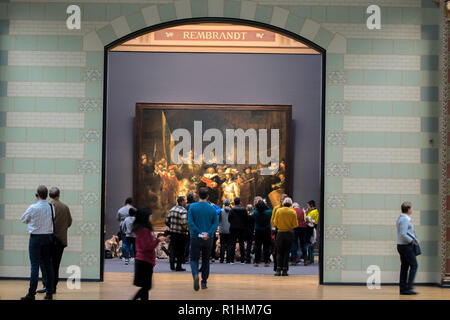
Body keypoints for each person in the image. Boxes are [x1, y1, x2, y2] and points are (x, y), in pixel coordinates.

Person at [20, 185, 55, 300]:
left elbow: (23, 219)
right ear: (46, 195)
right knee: (48, 265)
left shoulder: (32, 207)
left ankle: (31, 294)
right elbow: (53, 218)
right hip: (48, 238)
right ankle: (49, 293)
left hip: (35, 238)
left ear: (37, 195)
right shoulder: (51, 207)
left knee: (34, 266)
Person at [36, 187, 72, 294]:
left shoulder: (47, 206)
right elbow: (69, 222)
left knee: (45, 264)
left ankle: (47, 286)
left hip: (49, 240)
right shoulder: (65, 207)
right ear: (59, 195)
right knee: (56, 265)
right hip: (61, 241)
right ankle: (53, 287)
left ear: (49, 195)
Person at [187, 187, 219, 291]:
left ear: (198, 195)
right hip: (208, 238)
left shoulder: (192, 207)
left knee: (194, 259)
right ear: (208, 196)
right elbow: (215, 224)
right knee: (206, 260)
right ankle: (204, 282)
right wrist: (208, 233)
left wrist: (199, 232)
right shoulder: (212, 208)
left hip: (195, 237)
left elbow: (191, 222)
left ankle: (195, 274)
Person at [132, 207, 166, 300]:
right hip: (144, 261)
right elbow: (147, 246)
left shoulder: (140, 229)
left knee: (145, 286)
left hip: (142, 260)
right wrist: (158, 240)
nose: (151, 216)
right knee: (146, 286)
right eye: (150, 215)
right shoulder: (145, 231)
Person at [396, 202, 419, 295]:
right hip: (406, 246)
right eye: (411, 208)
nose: (412, 210)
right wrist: (412, 241)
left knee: (404, 267)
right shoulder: (404, 220)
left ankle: (403, 289)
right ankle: (409, 288)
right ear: (408, 209)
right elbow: (403, 234)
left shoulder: (401, 218)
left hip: (402, 246)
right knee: (414, 265)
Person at [272, 197, 298, 276]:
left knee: (279, 252)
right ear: (291, 203)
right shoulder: (293, 212)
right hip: (289, 233)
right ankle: (285, 270)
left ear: (283, 203)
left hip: (280, 233)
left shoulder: (279, 211)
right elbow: (295, 225)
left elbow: (275, 223)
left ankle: (278, 270)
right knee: (286, 252)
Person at [166, 196, 189, 271]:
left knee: (173, 247)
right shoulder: (183, 210)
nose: (185, 202)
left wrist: (171, 227)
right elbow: (184, 222)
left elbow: (167, 220)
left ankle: (172, 262)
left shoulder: (172, 209)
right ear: (182, 202)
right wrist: (186, 229)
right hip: (181, 233)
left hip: (173, 233)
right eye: (184, 201)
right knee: (181, 250)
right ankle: (178, 266)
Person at [228, 197, 248, 264]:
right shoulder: (244, 210)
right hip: (242, 228)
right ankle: (242, 260)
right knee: (241, 243)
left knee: (232, 244)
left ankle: (231, 260)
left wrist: (233, 223)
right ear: (240, 202)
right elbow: (246, 219)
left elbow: (229, 219)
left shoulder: (232, 210)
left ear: (234, 202)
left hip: (233, 228)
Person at [270, 193, 287, 271]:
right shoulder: (276, 208)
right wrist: (274, 227)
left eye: (285, 198)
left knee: (285, 250)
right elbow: (273, 219)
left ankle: (284, 268)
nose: (284, 200)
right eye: (283, 198)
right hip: (278, 230)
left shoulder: (289, 209)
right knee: (277, 249)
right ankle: (277, 267)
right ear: (280, 199)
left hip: (286, 230)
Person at [253, 199, 272, 267]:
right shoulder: (269, 212)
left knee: (257, 246)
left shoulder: (255, 212)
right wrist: (266, 205)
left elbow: (255, 209)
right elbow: (270, 209)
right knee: (266, 246)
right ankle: (266, 261)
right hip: (266, 230)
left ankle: (256, 261)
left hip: (258, 230)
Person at [305, 200, 319, 264]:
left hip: (310, 229)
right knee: (311, 244)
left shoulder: (312, 212)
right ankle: (311, 259)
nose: (307, 207)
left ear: (311, 206)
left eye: (308, 206)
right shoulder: (316, 211)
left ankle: (310, 259)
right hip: (314, 228)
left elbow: (306, 219)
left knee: (309, 244)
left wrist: (305, 212)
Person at [219, 198, 232, 263]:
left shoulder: (221, 211)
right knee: (229, 245)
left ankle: (221, 259)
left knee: (222, 245)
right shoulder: (232, 211)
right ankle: (228, 259)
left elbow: (219, 220)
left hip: (222, 230)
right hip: (230, 230)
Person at [184, 191, 196, 263]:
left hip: (185, 225)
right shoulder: (194, 205)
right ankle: (193, 257)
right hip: (193, 225)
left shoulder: (184, 206)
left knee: (187, 241)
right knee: (193, 241)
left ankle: (185, 256)